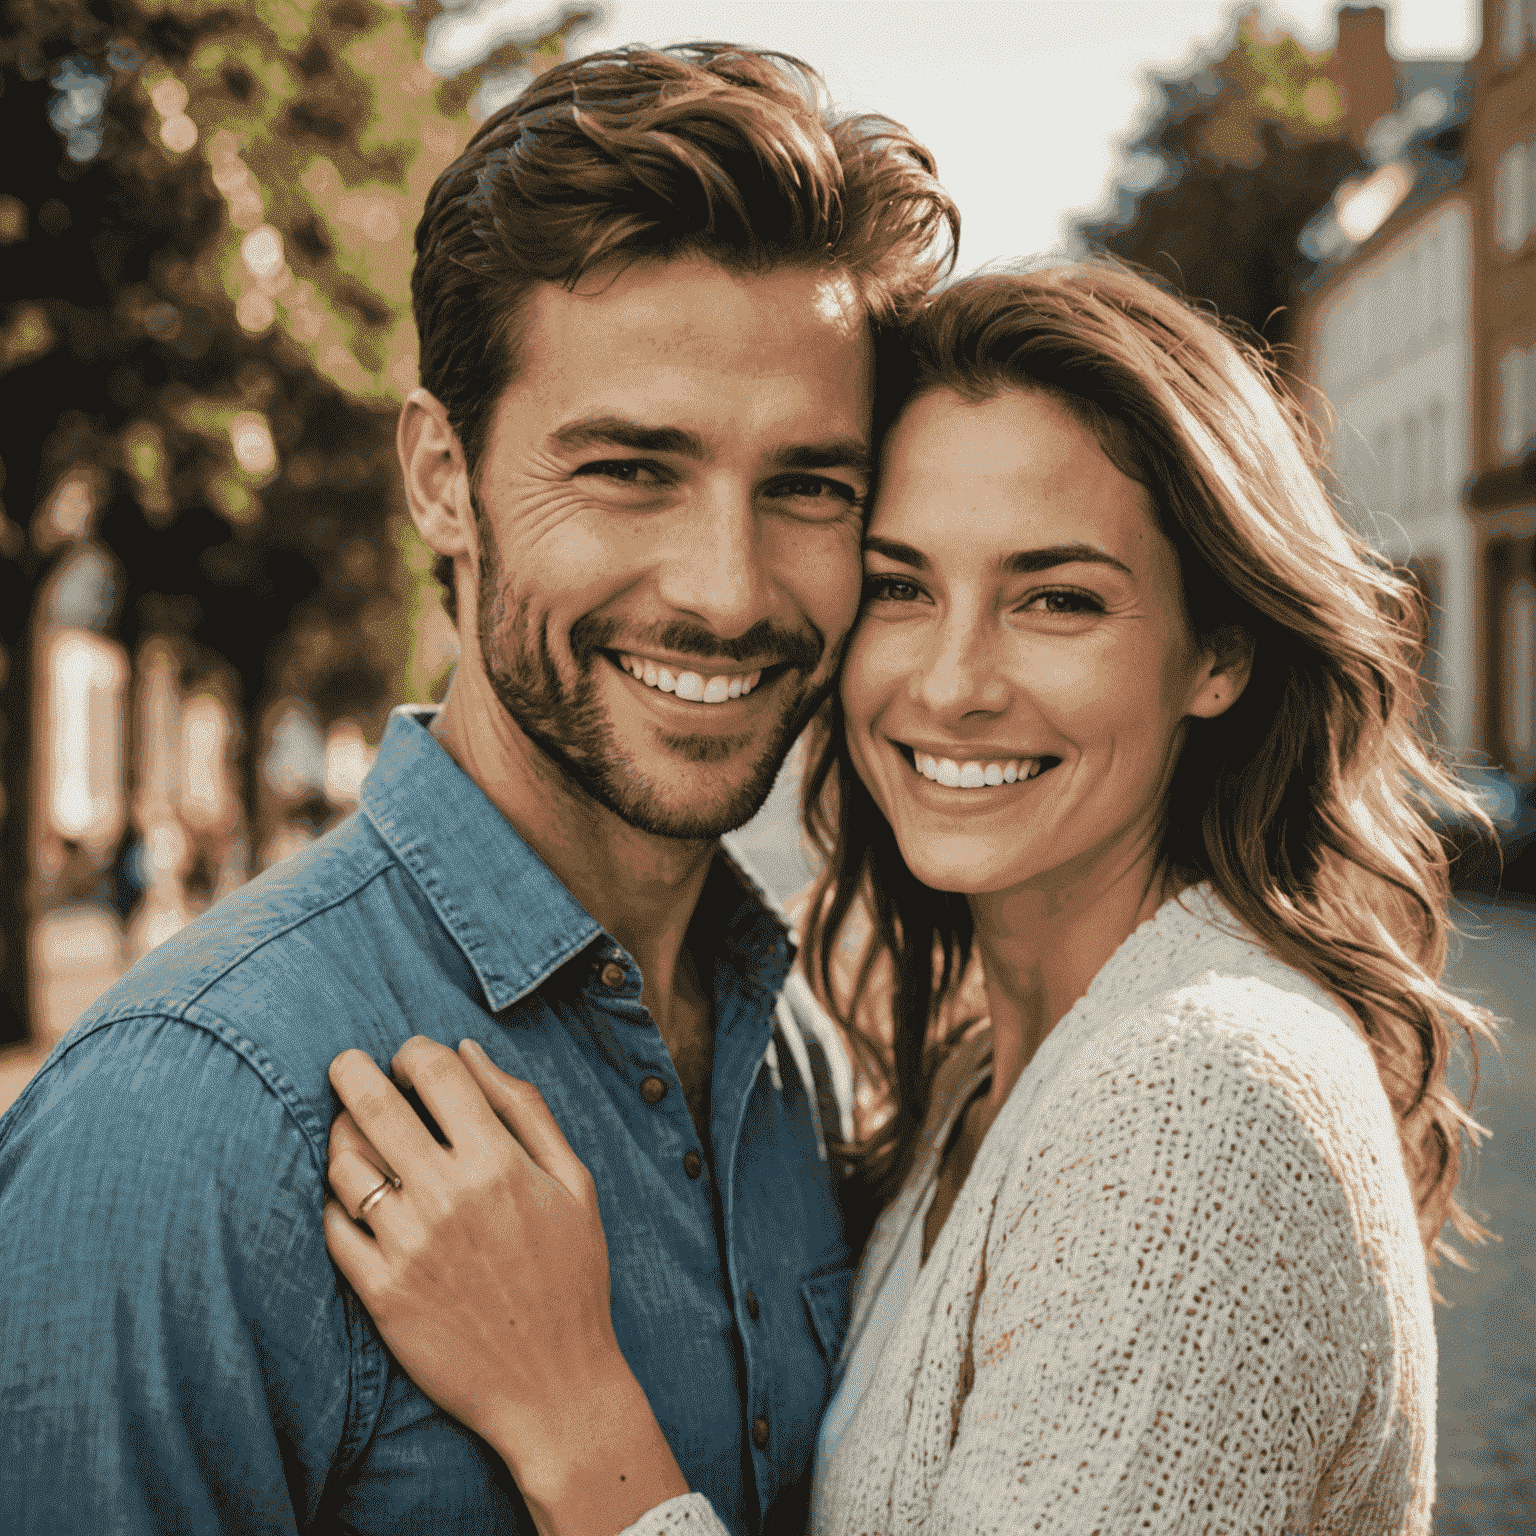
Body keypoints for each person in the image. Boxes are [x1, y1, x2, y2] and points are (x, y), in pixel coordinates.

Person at [322, 262, 1499, 1536]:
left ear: (1217, 652)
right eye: (902, 586)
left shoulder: (1195, 1101)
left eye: (1058, 600)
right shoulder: (979, 1086)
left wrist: (573, 1418)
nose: (953, 683)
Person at [0, 45, 959, 1534]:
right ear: (442, 479)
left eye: (807, 486)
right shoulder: (190, 1120)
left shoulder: (797, 1067)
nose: (726, 590)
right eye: (633, 470)